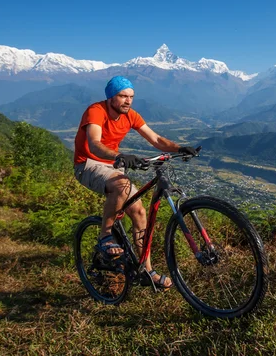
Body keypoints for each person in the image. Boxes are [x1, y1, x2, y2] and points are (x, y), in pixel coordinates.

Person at [73, 76, 197, 290]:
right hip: (88, 164)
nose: (127, 101)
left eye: (130, 97)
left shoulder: (131, 115)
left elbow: (156, 139)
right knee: (121, 185)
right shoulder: (96, 111)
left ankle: (147, 271)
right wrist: (120, 155)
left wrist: (179, 148)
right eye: (122, 96)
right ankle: (105, 236)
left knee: (139, 212)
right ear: (111, 97)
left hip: (114, 166)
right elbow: (94, 144)